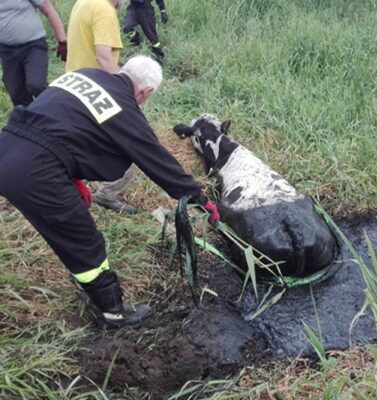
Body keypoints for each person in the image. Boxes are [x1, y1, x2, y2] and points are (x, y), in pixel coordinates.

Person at [0, 56, 220, 328]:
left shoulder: (84, 74)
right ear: (146, 92)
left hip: (9, 144)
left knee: (69, 232)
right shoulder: (124, 108)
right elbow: (156, 159)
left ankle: (87, 282)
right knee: (83, 241)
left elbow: (60, 122)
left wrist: (73, 178)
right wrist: (199, 199)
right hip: (35, 170)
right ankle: (113, 311)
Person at [66, 0, 137, 213]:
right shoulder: (104, 10)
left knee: (80, 142)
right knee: (134, 140)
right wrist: (123, 95)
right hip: (94, 91)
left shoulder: (83, 2)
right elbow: (103, 56)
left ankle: (73, 186)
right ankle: (108, 194)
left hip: (74, 85)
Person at [0, 0, 67, 107]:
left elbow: (48, 9)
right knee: (16, 93)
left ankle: (57, 109)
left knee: (36, 84)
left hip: (33, 46)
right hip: (8, 52)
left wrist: (62, 42)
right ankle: (33, 119)